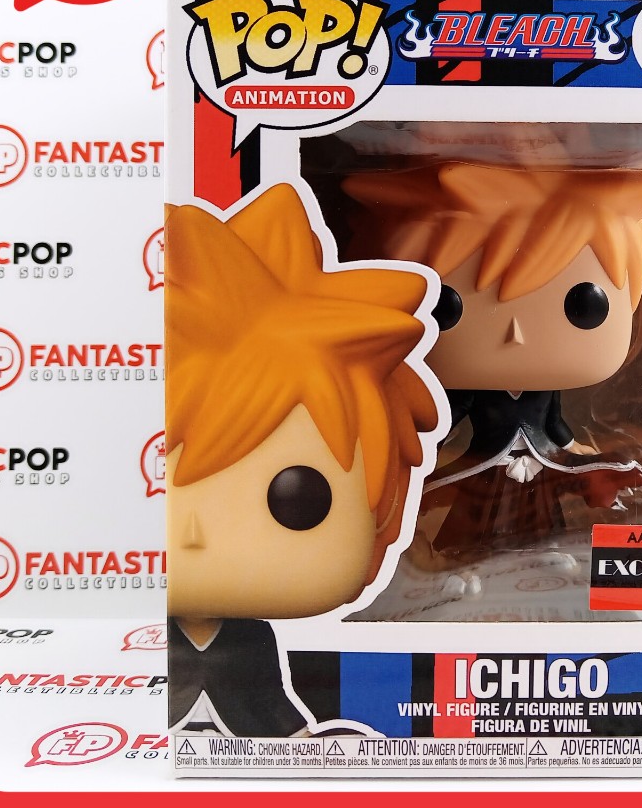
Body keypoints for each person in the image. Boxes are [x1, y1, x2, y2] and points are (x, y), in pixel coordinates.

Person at [165, 183, 439, 735]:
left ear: (384, 510)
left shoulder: (252, 640)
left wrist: (306, 740)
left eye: (297, 499)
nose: (191, 533)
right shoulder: (115, 642)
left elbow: (272, 708)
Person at [344, 163, 642, 554]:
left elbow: (554, 422)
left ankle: (545, 551)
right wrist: (423, 447)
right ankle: (464, 554)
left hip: (541, 458)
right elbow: (450, 415)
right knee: (478, 513)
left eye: (582, 305)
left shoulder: (544, 389)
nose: (515, 333)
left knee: (541, 509)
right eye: (446, 307)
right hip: (486, 462)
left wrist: (574, 447)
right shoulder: (474, 390)